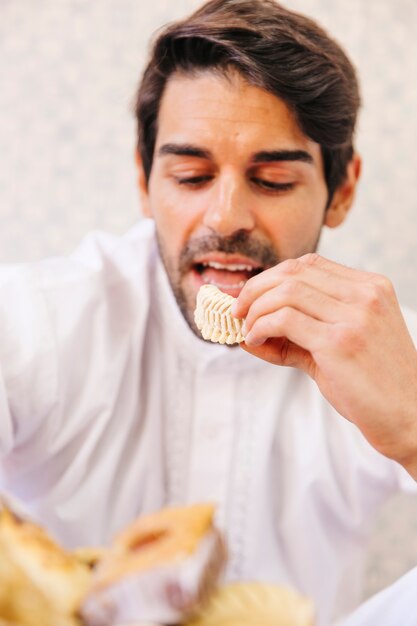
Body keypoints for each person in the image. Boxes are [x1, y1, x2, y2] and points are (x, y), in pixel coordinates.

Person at [0, 0, 416, 624]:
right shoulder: (39, 320)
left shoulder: (386, 346)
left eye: (273, 180)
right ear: (144, 179)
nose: (225, 219)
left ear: (343, 190)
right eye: (192, 175)